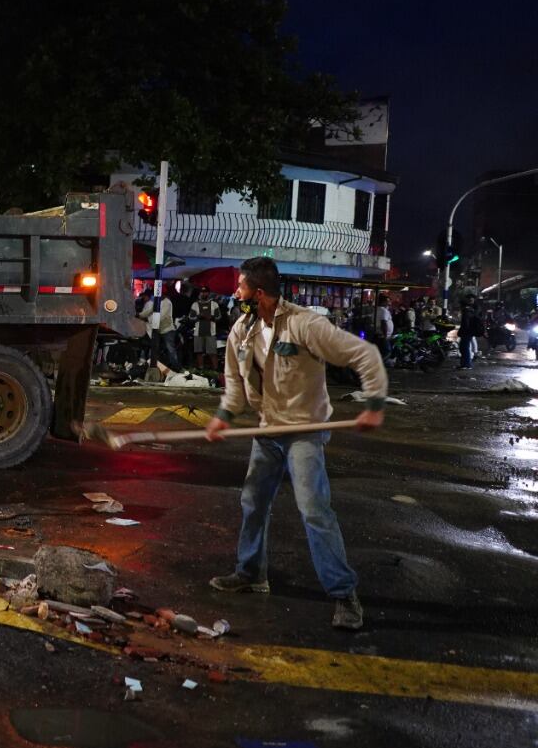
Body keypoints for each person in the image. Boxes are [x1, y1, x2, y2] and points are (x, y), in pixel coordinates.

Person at [205, 257, 386, 631]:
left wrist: (374, 403)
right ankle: (251, 574)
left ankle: (344, 595)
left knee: (314, 510)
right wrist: (224, 416)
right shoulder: (242, 330)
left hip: (304, 431)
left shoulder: (306, 325)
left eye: (240, 288)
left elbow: (364, 355)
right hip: (267, 431)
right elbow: (235, 386)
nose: (235, 293)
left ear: (258, 294)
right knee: (253, 502)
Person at [137, 292, 181, 371]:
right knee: (155, 348)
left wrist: (148, 319)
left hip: (167, 329)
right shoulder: (157, 301)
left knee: (170, 349)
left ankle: (176, 367)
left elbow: (161, 316)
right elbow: (149, 311)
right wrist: (139, 315)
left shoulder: (167, 303)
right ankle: (156, 366)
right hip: (158, 330)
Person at [190, 289, 221, 369]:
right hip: (198, 332)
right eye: (202, 292)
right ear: (200, 293)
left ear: (208, 293)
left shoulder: (214, 304)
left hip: (211, 332)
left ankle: (215, 370)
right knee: (199, 352)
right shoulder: (195, 304)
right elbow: (190, 317)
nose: (203, 294)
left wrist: (212, 317)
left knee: (212, 353)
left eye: (205, 292)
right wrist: (198, 316)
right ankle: (201, 369)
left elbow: (219, 317)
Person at [458, 298, 483, 369]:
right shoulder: (471, 311)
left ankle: (466, 365)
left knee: (464, 348)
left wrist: (462, 332)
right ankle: (464, 364)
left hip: (467, 332)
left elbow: (465, 324)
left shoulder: (466, 311)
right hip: (469, 332)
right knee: (464, 348)